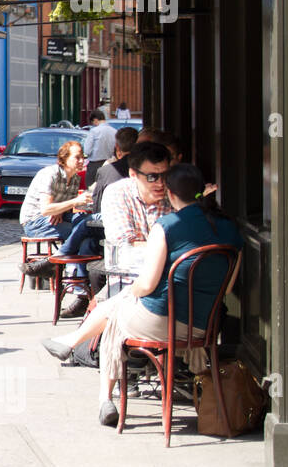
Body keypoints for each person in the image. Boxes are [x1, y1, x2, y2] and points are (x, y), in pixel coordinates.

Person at [67, 164, 241, 427]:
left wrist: (130, 293)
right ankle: (70, 343)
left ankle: (105, 398)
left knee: (115, 316)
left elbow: (147, 285)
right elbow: (227, 288)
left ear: (170, 194)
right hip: (203, 325)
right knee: (118, 307)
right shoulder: (230, 228)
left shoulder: (167, 225)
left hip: (160, 321)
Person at [41, 140, 175, 360]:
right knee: (122, 291)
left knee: (123, 297)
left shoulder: (173, 193)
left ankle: (74, 341)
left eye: (164, 176)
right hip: (133, 276)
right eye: (152, 177)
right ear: (133, 174)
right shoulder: (118, 194)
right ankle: (119, 364)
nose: (160, 183)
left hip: (165, 283)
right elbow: (125, 244)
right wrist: (162, 248)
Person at [18, 140, 88, 248]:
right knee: (80, 231)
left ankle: (71, 260)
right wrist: (76, 201)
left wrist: (60, 210)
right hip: (34, 221)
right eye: (77, 157)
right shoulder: (50, 174)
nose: (82, 161)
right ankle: (57, 261)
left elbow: (66, 207)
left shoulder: (75, 178)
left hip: (56, 217)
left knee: (88, 222)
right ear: (64, 158)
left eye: (83, 157)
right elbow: (46, 209)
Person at [83, 109, 116, 177]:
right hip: (111, 164)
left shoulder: (94, 131)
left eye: (93, 123)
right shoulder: (114, 131)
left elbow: (87, 151)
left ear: (95, 120)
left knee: (92, 186)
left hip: (95, 165)